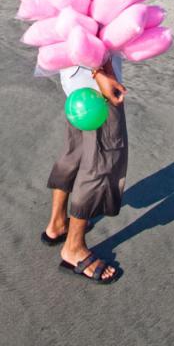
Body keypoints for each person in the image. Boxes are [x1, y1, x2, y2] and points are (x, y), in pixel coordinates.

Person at [43, 56, 128, 284]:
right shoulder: (99, 74)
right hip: (94, 81)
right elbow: (83, 26)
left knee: (77, 149)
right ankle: (74, 248)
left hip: (74, 74)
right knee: (102, 161)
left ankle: (58, 223)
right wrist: (103, 72)